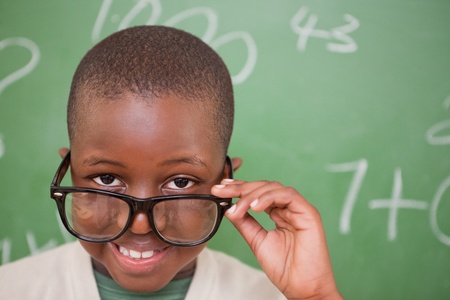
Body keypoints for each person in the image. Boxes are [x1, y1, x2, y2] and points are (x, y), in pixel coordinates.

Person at [0, 25, 342, 300]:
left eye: (180, 182)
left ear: (226, 180)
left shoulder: (271, 296)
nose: (139, 224)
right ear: (70, 170)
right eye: (106, 178)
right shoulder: (12, 289)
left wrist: (316, 297)